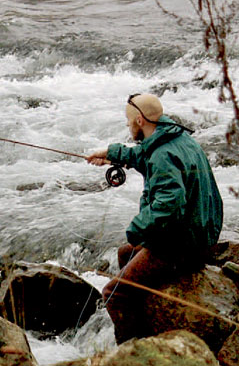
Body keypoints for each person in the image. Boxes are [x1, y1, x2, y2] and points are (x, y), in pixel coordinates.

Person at [85, 93, 223, 341]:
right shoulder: (177, 138)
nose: (128, 127)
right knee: (125, 254)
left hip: (183, 247)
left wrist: (136, 230)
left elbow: (168, 206)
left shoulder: (162, 156)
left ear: (139, 120)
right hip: (201, 236)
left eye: (128, 122)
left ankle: (133, 353)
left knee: (114, 295)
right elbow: (144, 155)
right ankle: (145, 320)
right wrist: (112, 154)